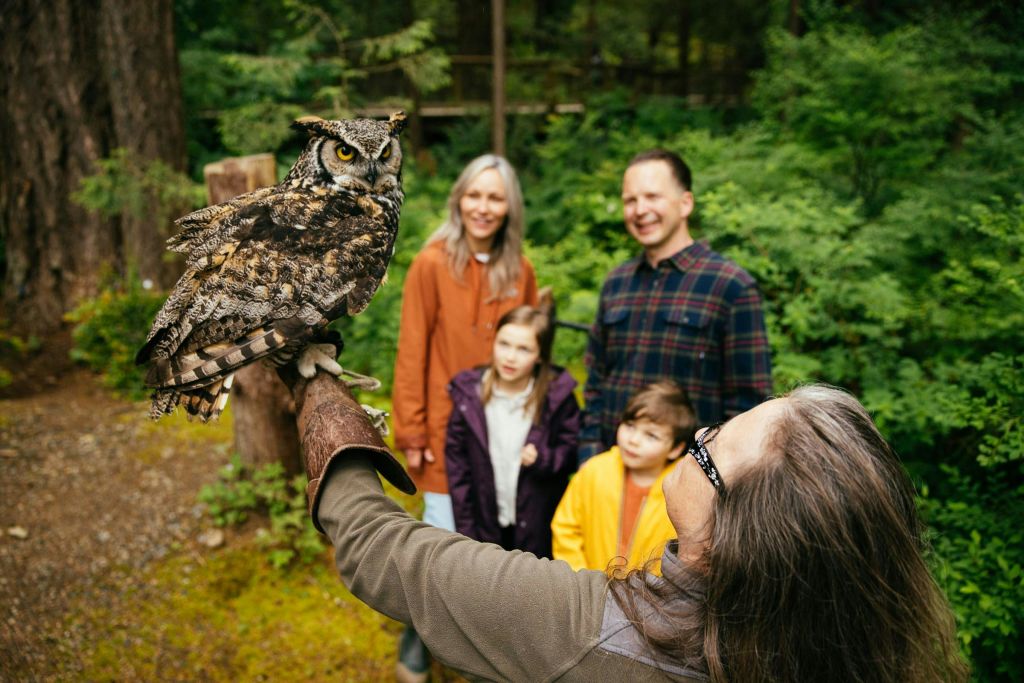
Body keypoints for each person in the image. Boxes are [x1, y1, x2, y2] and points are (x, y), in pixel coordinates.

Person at [292, 375, 967, 682]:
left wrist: (318, 394)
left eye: (710, 447)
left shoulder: (588, 632)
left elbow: (382, 547)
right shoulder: (846, 651)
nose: (700, 433)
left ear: (731, 539)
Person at [390, 154, 538, 681]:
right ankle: (417, 639)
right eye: (474, 194)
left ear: (509, 207)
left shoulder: (519, 270)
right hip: (443, 432)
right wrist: (411, 430)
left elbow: (531, 350)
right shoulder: (431, 264)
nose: (483, 207)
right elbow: (412, 350)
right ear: (459, 199)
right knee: (440, 543)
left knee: (490, 545)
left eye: (495, 197)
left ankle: (477, 653)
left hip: (502, 433)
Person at [579, 149, 772, 462]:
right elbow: (595, 384)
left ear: (685, 203)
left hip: (690, 480)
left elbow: (749, 410)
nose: (640, 210)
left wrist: (717, 481)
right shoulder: (617, 283)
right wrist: (588, 458)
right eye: (630, 200)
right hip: (610, 477)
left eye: (652, 197)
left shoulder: (731, 286)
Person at [445, 302, 579, 558]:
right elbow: (458, 470)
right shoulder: (468, 397)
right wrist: (467, 534)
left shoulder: (556, 398)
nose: (510, 357)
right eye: (504, 344)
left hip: (538, 526)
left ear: (540, 355)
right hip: (485, 523)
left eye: (524, 349)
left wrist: (542, 459)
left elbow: (572, 451)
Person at [551, 381, 694, 574]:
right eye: (630, 426)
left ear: (676, 448)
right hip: (589, 587)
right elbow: (566, 528)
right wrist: (581, 580)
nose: (633, 440)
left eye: (651, 436)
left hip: (651, 592)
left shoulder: (683, 491)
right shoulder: (594, 471)